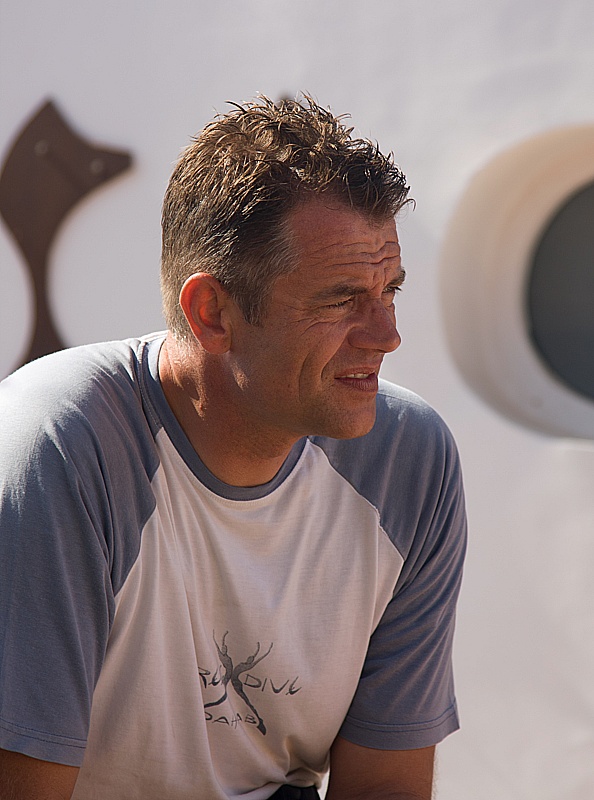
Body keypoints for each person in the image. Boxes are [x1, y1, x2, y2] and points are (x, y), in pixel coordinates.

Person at [0, 95, 467, 800]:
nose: (387, 335)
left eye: (389, 291)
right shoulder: (60, 447)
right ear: (211, 312)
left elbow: (385, 787)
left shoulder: (410, 460)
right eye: (341, 298)